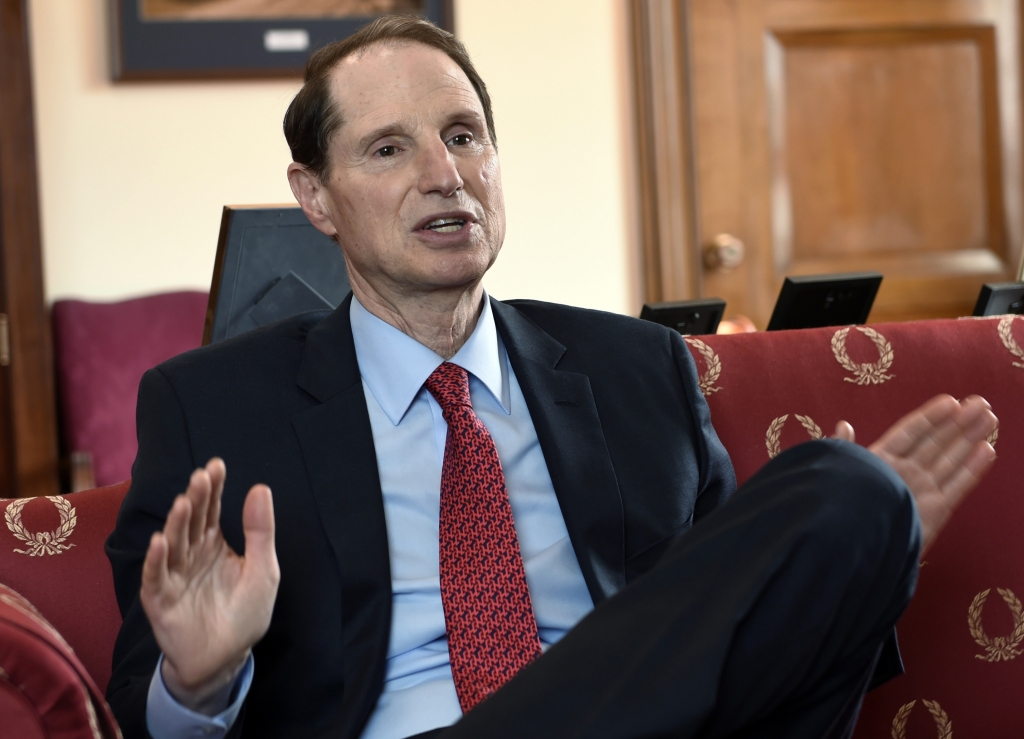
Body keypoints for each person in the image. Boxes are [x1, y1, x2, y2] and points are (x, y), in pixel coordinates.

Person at [105, 16, 998, 739]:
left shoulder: (639, 371)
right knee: (842, 490)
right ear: (315, 198)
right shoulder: (212, 405)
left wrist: (855, 557)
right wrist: (200, 676)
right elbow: (146, 701)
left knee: (848, 500)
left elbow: (729, 633)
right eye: (388, 150)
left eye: (463, 136)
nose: (444, 174)